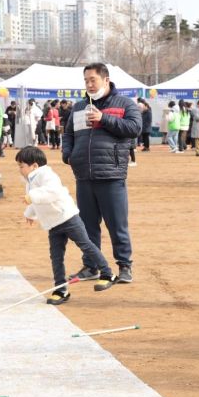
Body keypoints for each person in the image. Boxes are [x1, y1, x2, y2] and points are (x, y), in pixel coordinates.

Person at [61, 62, 142, 289]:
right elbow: (68, 134)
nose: (88, 84)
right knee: (87, 226)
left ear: (106, 80)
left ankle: (124, 266)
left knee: (117, 224)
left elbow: (134, 128)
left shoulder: (124, 104)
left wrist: (104, 119)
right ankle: (91, 266)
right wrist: (68, 155)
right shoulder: (78, 107)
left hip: (111, 175)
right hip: (84, 175)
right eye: (86, 80)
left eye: (92, 80)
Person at [17, 145, 113, 305]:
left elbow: (52, 192)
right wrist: (30, 213)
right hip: (53, 224)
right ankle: (61, 290)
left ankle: (107, 273)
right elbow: (38, 202)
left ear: (34, 165)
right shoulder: (31, 180)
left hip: (67, 217)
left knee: (86, 245)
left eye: (22, 166)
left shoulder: (46, 174)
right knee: (56, 257)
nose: (20, 169)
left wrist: (31, 196)